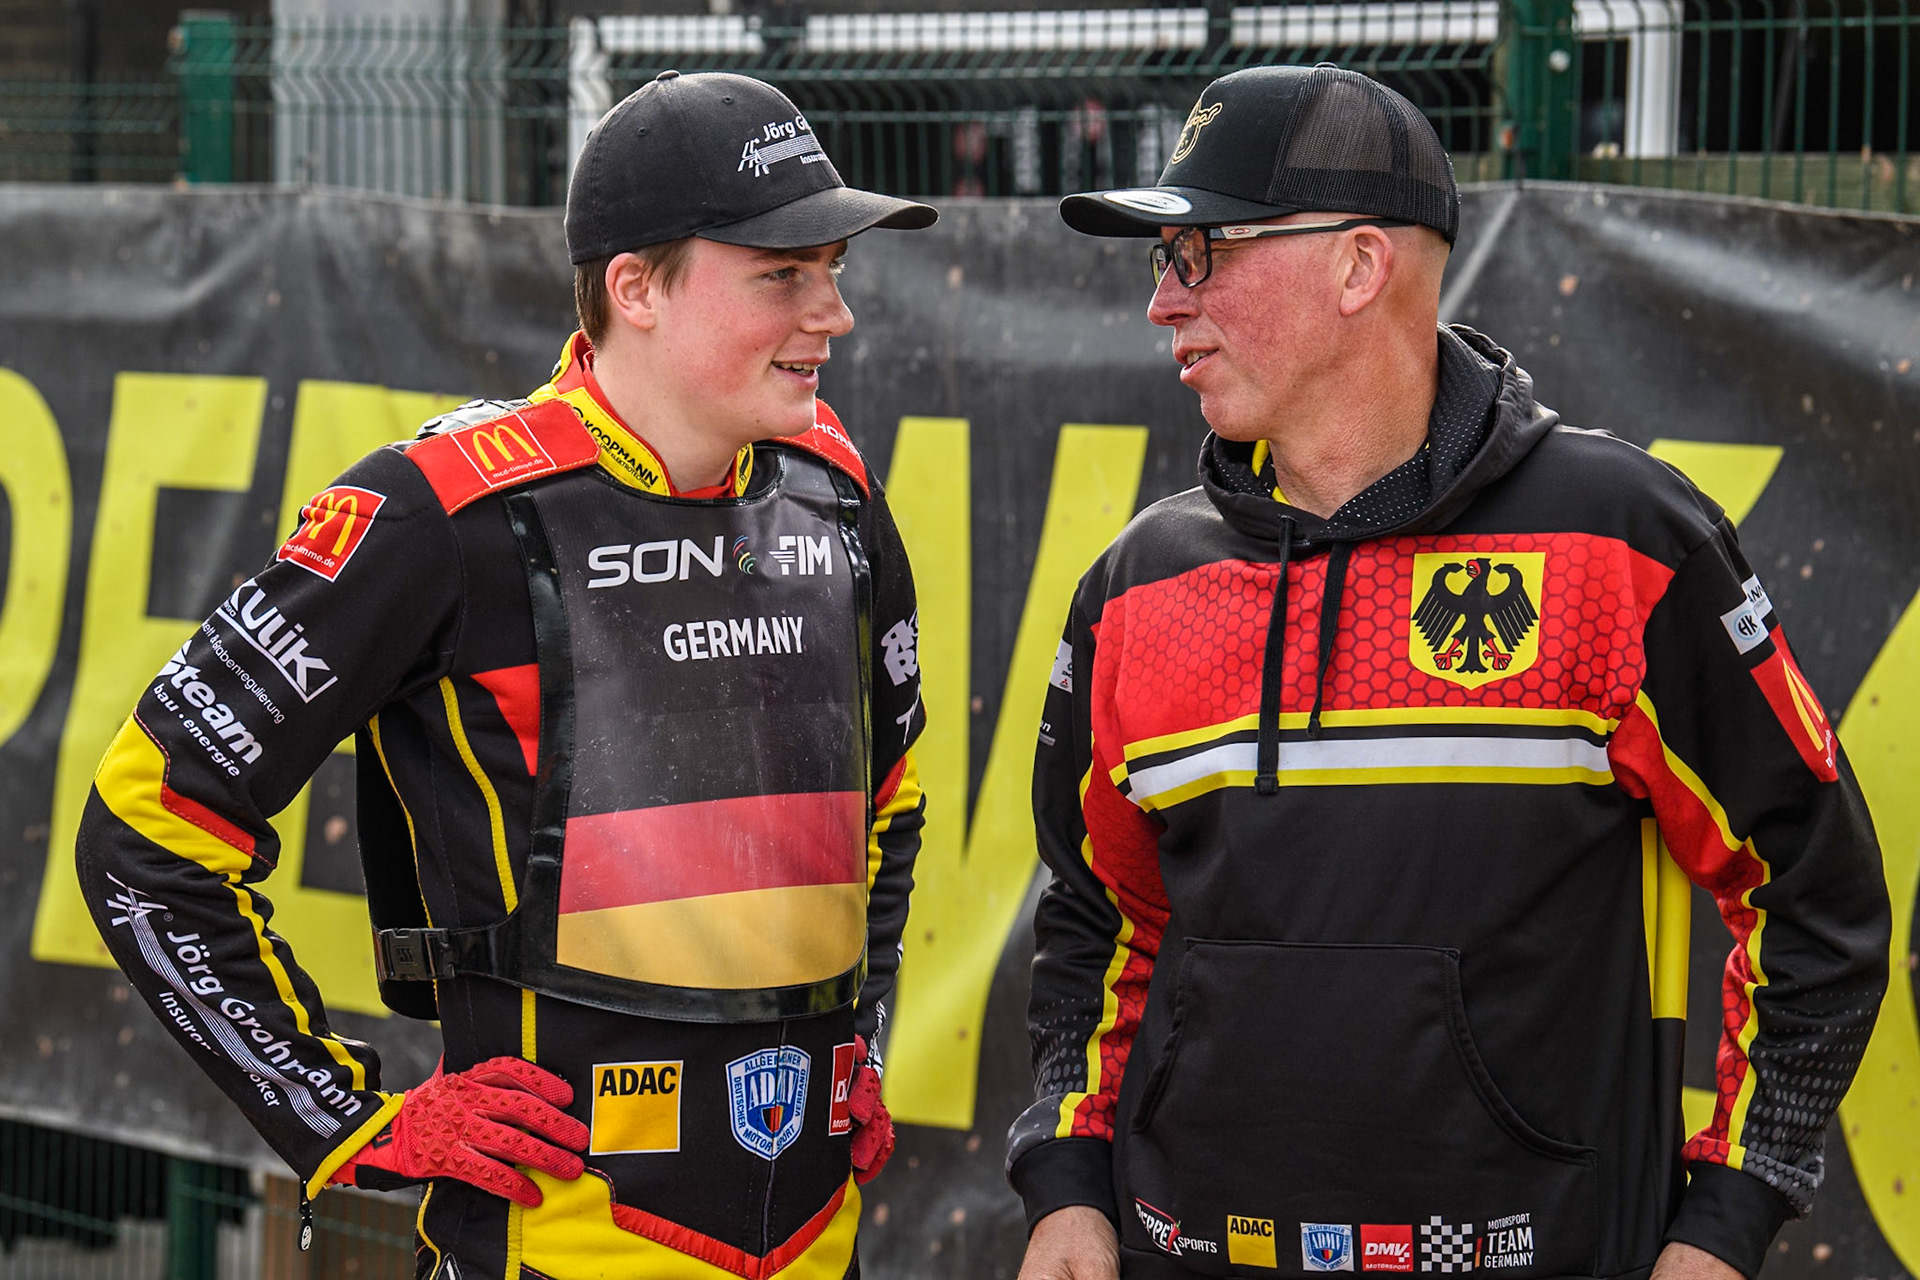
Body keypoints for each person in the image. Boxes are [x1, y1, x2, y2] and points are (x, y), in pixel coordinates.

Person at [1008, 64, 1889, 1280]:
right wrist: (1067, 1182)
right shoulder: (1135, 581)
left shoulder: (1618, 537)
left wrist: (1723, 1227)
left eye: (1201, 251)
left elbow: (1812, 898)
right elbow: (1096, 916)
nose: (1164, 301)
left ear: (1359, 266)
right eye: (1163, 259)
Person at [77, 70, 933, 1280]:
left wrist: (865, 1042)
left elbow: (888, 810)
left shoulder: (838, 497)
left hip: (815, 1247)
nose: (832, 312)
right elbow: (143, 831)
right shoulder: (440, 508)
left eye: (835, 269)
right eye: (782, 274)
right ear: (634, 286)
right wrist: (344, 1118)